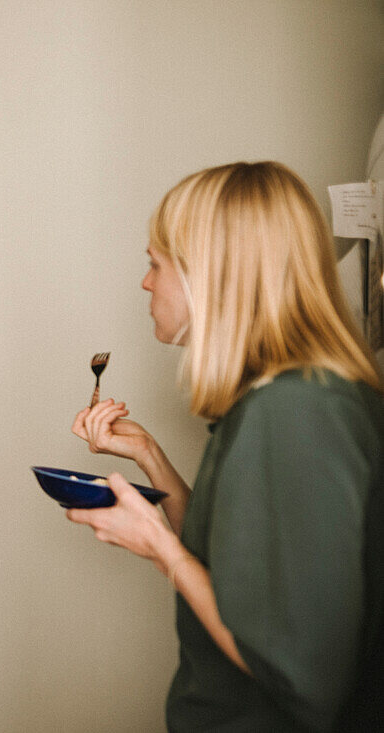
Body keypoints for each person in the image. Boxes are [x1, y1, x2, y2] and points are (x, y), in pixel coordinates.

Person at [67, 161, 384, 731]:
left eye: (154, 264)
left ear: (210, 275)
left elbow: (301, 671)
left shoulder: (297, 412)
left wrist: (162, 548)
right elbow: (236, 570)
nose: (145, 282)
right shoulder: (276, 401)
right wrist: (150, 457)